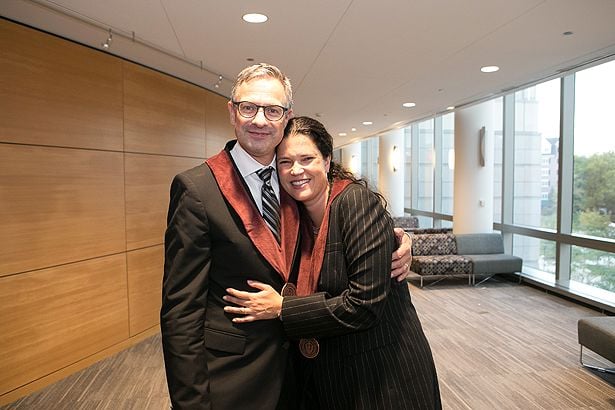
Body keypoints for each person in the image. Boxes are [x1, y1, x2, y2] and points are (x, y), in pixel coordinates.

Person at [160, 64, 413, 410]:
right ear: (232, 111)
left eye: (272, 110)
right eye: (249, 107)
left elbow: (330, 233)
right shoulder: (197, 189)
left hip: (301, 373)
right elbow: (181, 311)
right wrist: (190, 403)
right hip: (233, 378)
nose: (260, 120)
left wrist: (394, 243)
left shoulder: (292, 187)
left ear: (286, 116)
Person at [224, 116, 442, 409]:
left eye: (307, 159)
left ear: (327, 161)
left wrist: (281, 308)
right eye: (286, 162)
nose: (296, 170)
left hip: (384, 376)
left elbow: (364, 305)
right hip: (332, 378)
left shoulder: (354, 203)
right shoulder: (291, 219)